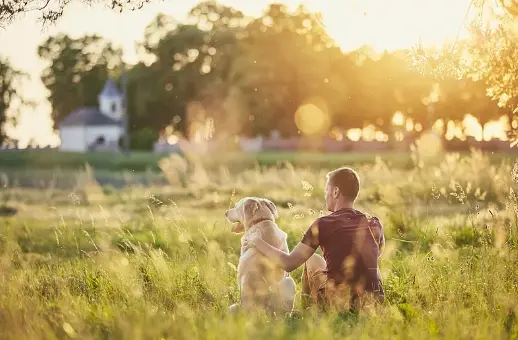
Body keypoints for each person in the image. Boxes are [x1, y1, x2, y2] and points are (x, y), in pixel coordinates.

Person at [243, 167, 385, 312]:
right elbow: (376, 255)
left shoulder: (324, 223)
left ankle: (308, 310)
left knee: (311, 260)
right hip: (373, 302)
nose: (325, 196)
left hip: (340, 303)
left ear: (335, 192)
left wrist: (257, 242)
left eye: (326, 191)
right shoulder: (374, 222)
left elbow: (289, 263)